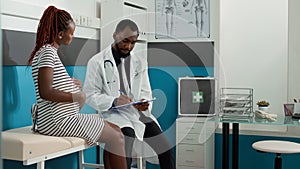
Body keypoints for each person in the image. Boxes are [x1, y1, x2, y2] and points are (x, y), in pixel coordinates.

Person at [27, 6, 126, 169]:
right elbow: (46, 92)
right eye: (71, 33)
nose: (73, 37)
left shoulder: (47, 52)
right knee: (117, 137)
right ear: (60, 34)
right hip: (58, 121)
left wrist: (70, 85)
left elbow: (51, 84)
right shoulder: (48, 53)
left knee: (115, 131)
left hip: (59, 119)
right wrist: (76, 96)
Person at [84, 19, 176, 169]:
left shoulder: (140, 62)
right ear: (115, 35)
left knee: (165, 149)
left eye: (133, 42)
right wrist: (114, 101)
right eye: (125, 41)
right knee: (127, 140)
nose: (128, 46)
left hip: (137, 113)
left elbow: (146, 90)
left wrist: (145, 103)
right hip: (113, 114)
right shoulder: (96, 62)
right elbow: (89, 95)